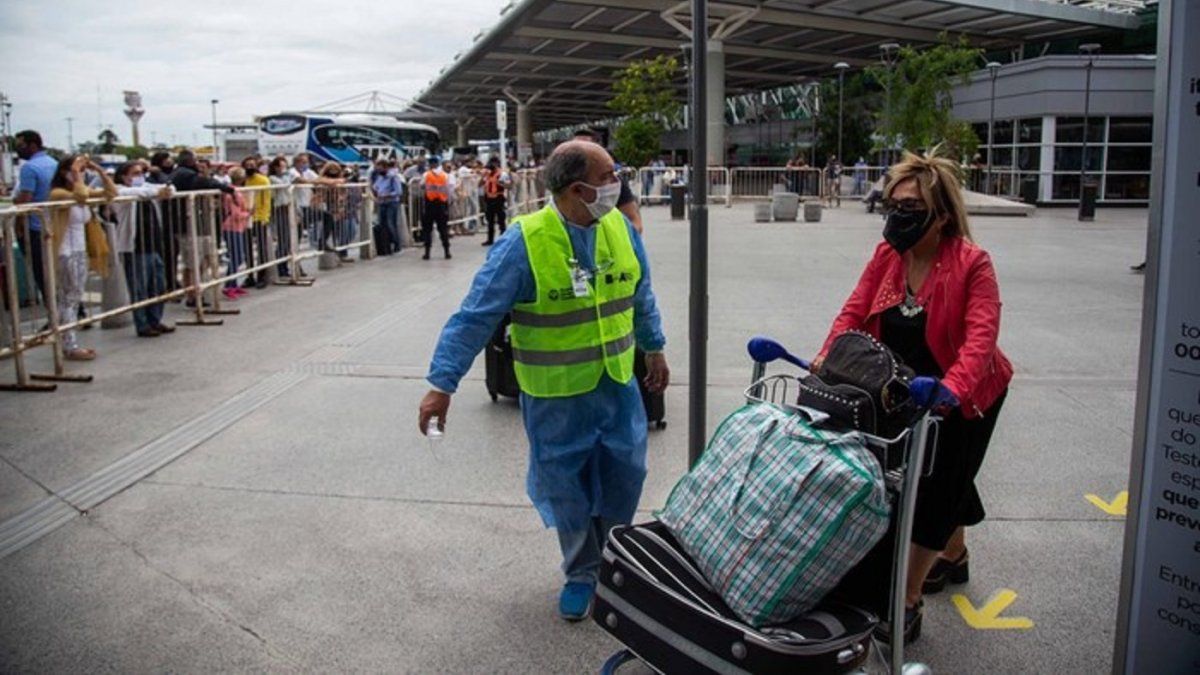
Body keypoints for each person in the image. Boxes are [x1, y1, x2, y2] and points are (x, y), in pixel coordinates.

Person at [418, 140, 669, 622]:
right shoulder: (524, 241)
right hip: (556, 394)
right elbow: (475, 315)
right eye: (608, 175)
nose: (617, 184)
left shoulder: (619, 226)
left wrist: (654, 347)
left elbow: (641, 293)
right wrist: (441, 383)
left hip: (618, 383)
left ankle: (614, 564)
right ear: (578, 188)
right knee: (566, 485)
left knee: (625, 474)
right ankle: (582, 571)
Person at [814, 149, 1013, 643]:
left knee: (935, 488)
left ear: (941, 216)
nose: (897, 215)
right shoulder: (888, 256)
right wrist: (827, 356)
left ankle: (907, 598)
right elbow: (854, 311)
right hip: (905, 385)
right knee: (944, 471)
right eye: (892, 204)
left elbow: (980, 340)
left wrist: (950, 393)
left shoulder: (972, 263)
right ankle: (955, 555)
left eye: (910, 207)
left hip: (964, 391)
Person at [47, 155, 117, 359]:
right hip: (65, 251)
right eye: (77, 170)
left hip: (79, 250)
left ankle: (69, 341)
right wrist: (77, 175)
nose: (81, 173)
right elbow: (80, 197)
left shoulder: (81, 191)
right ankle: (69, 345)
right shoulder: (58, 194)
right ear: (64, 172)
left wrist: (100, 171)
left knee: (73, 297)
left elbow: (110, 193)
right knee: (69, 299)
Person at [112, 161, 175, 337]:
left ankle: (155, 319)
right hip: (136, 247)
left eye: (141, 173)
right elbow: (137, 193)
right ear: (124, 176)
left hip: (154, 244)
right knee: (139, 288)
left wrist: (164, 190)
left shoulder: (147, 188)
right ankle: (142, 324)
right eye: (135, 173)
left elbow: (169, 188)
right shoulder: (120, 190)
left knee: (158, 285)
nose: (139, 177)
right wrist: (157, 192)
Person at [170, 150, 233, 308]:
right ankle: (192, 295)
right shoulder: (186, 175)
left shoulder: (182, 173)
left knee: (201, 260)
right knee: (192, 263)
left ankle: (196, 292)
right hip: (189, 224)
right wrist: (227, 188)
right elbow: (208, 183)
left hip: (198, 224)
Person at [12, 130, 58, 303]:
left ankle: (55, 315)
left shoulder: (29, 168)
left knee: (42, 274)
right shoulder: (53, 163)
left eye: (21, 145)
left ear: (33, 145)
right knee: (57, 272)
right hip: (52, 224)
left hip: (35, 228)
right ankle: (76, 312)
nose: (18, 149)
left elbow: (25, 200)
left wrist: (18, 226)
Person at [572, 128, 642, 232]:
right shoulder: (564, 184)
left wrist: (627, 239)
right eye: (574, 149)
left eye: (586, 149)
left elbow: (634, 221)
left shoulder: (613, 183)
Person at [221, 167, 251, 300]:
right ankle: (228, 285)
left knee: (238, 255)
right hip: (232, 226)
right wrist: (248, 213)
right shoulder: (232, 193)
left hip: (237, 227)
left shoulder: (235, 191)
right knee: (237, 256)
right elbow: (235, 213)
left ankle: (233, 283)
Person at [242, 156, 273, 289]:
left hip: (259, 217)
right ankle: (249, 276)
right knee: (247, 249)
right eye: (247, 164)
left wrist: (265, 217)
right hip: (245, 218)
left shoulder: (263, 180)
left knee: (261, 248)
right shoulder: (242, 180)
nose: (249, 167)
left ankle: (262, 276)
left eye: (252, 164)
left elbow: (266, 200)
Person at [420, 156, 452, 260]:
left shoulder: (426, 175)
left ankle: (427, 253)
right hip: (442, 204)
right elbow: (449, 190)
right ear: (438, 164)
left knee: (427, 229)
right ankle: (447, 252)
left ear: (430, 164)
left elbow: (422, 186)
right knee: (443, 229)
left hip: (430, 204)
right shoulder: (445, 176)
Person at [267, 157, 294, 277]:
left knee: (289, 240)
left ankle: (287, 265)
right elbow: (284, 185)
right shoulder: (272, 178)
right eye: (281, 166)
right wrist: (286, 176)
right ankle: (281, 267)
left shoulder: (287, 176)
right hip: (280, 208)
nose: (284, 169)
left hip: (289, 207)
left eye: (285, 166)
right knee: (283, 239)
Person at [371, 158, 404, 255]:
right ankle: (386, 244)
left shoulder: (393, 177)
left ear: (385, 167)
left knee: (391, 223)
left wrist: (387, 195)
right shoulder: (380, 177)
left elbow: (398, 191)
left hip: (391, 202)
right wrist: (375, 193)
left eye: (380, 168)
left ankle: (396, 243)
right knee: (382, 224)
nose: (378, 170)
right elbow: (375, 187)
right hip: (381, 202)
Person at [480, 157, 511, 246]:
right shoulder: (487, 175)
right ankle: (490, 239)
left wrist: (500, 183)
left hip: (498, 198)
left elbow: (508, 186)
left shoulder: (502, 174)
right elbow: (480, 184)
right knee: (490, 220)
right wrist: (483, 177)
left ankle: (503, 239)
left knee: (501, 220)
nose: (490, 169)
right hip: (489, 199)